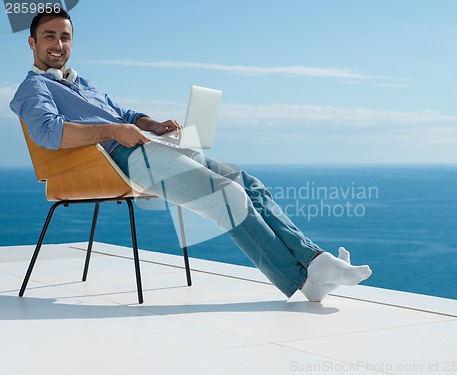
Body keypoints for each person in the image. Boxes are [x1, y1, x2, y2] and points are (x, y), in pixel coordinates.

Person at [10, 10, 372, 302]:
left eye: (65, 36)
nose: (58, 43)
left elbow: (123, 112)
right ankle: (303, 278)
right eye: (50, 36)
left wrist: (152, 125)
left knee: (248, 184)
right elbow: (49, 132)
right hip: (120, 160)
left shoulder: (79, 82)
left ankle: (314, 261)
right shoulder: (35, 88)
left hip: (142, 145)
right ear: (32, 43)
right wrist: (114, 131)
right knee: (226, 197)